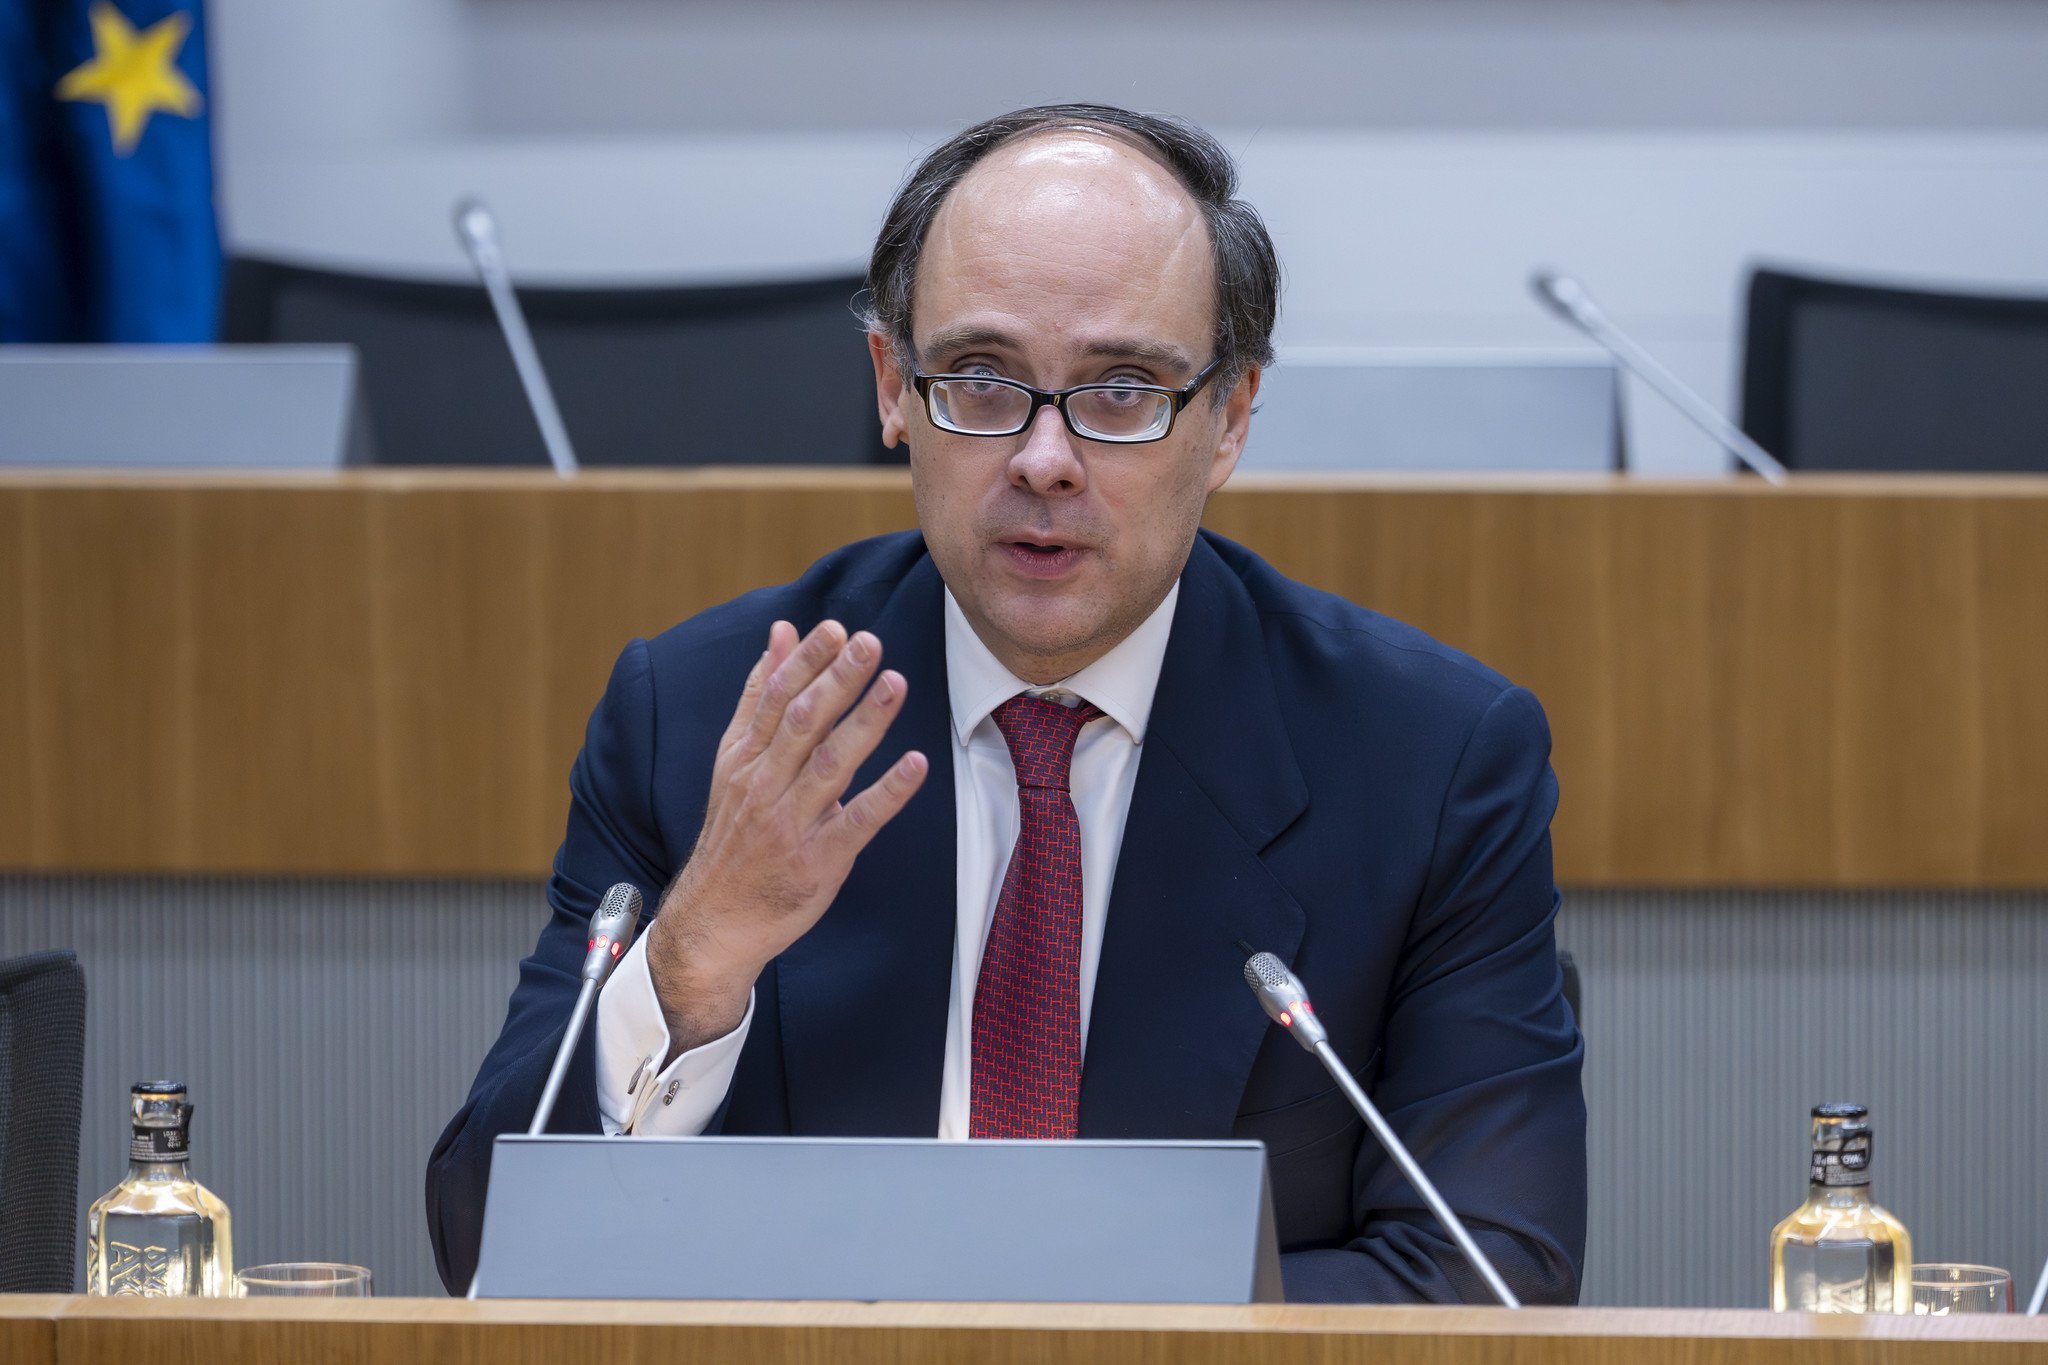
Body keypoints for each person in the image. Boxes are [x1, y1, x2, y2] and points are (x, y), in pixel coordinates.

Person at [426, 103, 1585, 1303]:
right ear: (892, 387)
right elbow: (483, 1247)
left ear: (1230, 417)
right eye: (981, 381)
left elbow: (1488, 1273)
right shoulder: (705, 720)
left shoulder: (1426, 765)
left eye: (1122, 389)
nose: (1043, 459)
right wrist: (691, 964)